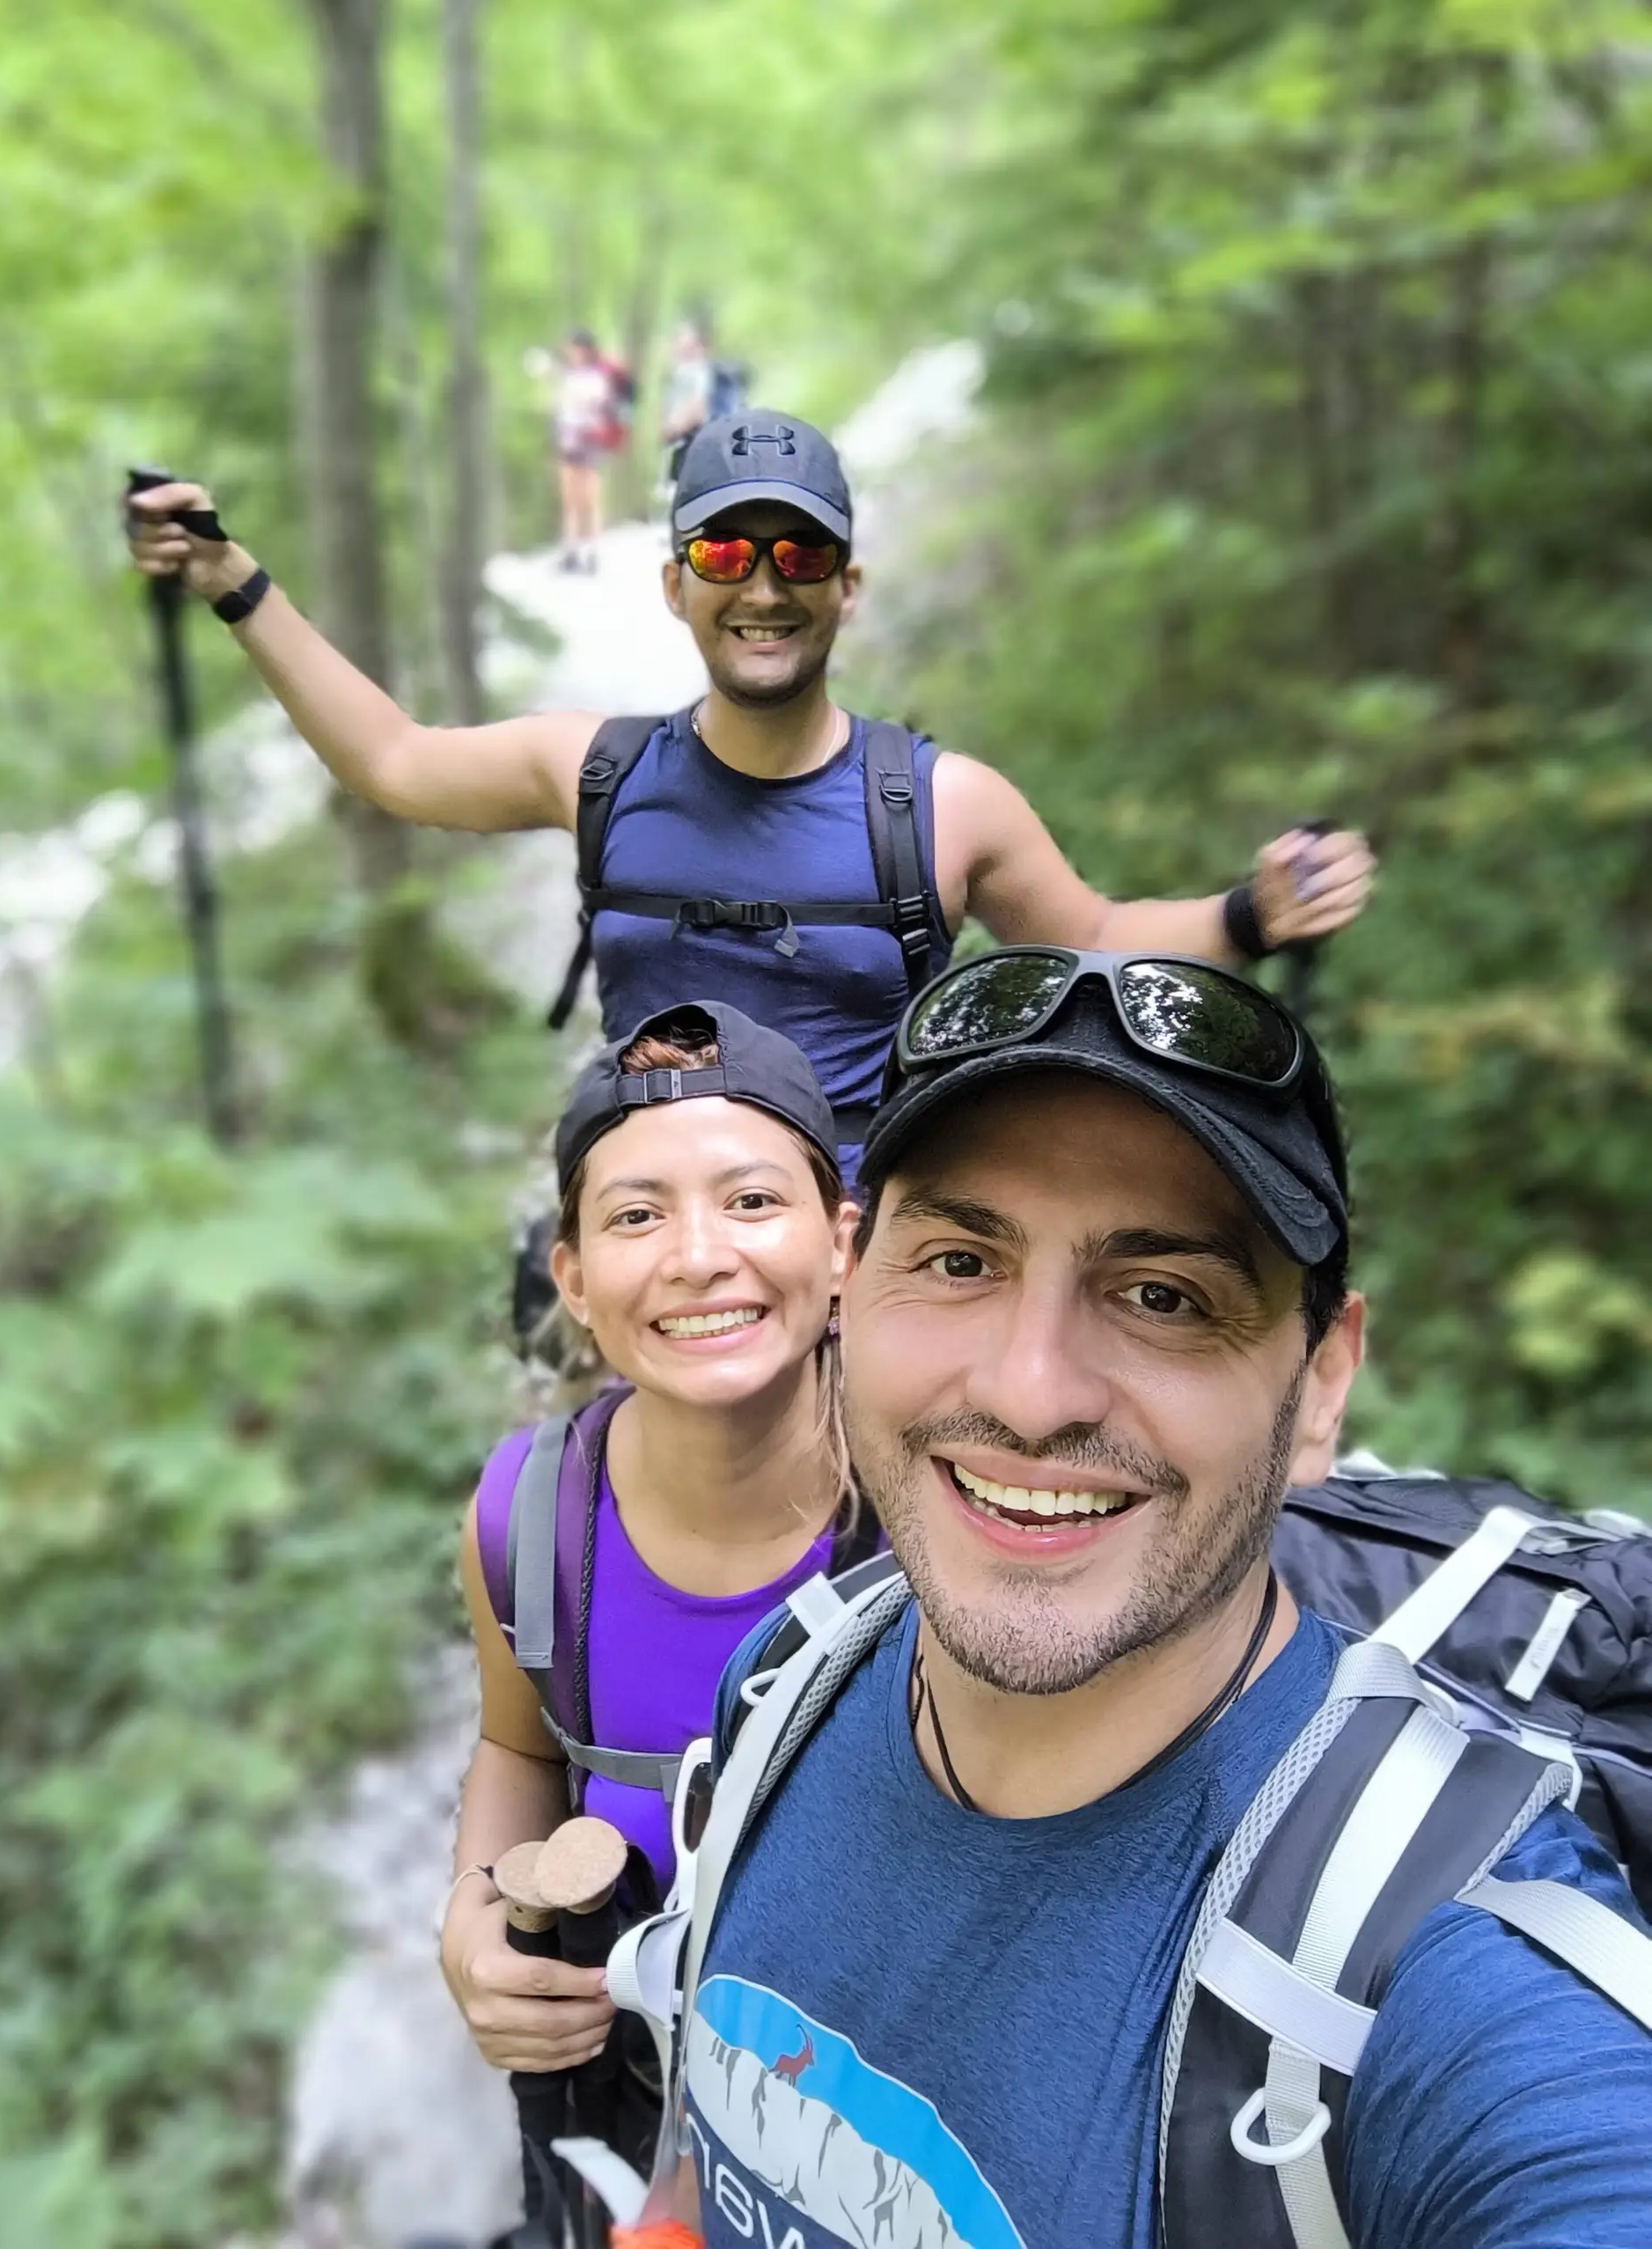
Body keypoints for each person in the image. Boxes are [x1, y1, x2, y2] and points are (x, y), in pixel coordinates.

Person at [658, 949, 1652, 2248]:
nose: (1028, 1390)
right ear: (851, 1278)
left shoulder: (1432, 1962)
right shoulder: (794, 1680)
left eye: (1164, 1295)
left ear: (1325, 1375)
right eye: (960, 1260)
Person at [125, 414, 1376, 1181]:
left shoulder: (942, 806)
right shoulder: (596, 771)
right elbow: (393, 761)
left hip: (854, 1256)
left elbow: (1094, 940)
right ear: (676, 586)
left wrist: (1251, 914)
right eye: (727, 553)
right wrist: (236, 580)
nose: (764, 586)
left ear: (848, 586)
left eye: (802, 555)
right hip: (656, 1243)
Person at [439, 1001, 874, 2195]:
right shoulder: (529, 1517)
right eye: (636, 1214)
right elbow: (514, 1745)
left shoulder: (933, 1506)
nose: (695, 1255)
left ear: (843, 1244)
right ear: (573, 1277)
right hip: (626, 2100)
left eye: (751, 1200)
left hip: (882, 2124)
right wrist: (473, 1918)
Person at [553, 329, 613, 573]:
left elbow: (594, 405)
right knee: (570, 498)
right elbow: (562, 410)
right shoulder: (568, 376)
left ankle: (592, 552)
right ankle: (571, 550)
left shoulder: (596, 377)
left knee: (590, 498)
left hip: (588, 442)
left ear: (585, 350)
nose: (572, 353)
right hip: (569, 442)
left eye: (575, 348)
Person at [660, 321, 716, 486]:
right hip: (677, 441)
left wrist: (673, 429)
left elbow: (698, 406)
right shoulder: (678, 371)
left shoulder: (700, 372)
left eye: (688, 344)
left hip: (690, 438)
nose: (681, 348)